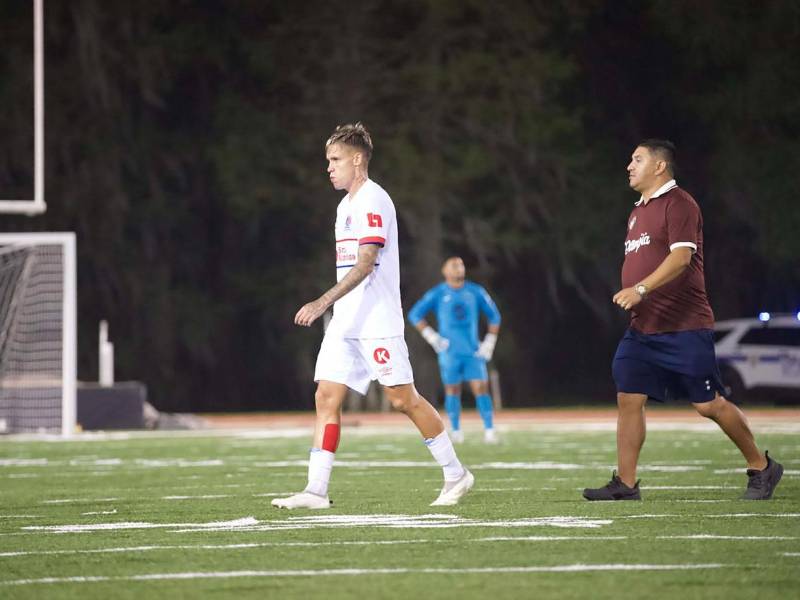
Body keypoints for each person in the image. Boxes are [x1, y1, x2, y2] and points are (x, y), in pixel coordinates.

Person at [272, 123, 474, 510]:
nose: (328, 168)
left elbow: (366, 264)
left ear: (357, 159)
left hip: (376, 321)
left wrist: (321, 302)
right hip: (346, 323)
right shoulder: (343, 205)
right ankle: (316, 490)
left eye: (334, 160)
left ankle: (456, 472)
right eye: (327, 161)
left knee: (403, 399)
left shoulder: (373, 200)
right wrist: (334, 311)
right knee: (326, 397)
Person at [583, 139, 783, 501]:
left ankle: (762, 467)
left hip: (684, 326)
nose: (629, 166)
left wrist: (640, 289)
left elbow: (680, 259)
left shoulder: (679, 203)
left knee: (708, 404)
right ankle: (626, 485)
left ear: (660, 166)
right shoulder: (637, 212)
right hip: (643, 329)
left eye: (637, 159)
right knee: (629, 397)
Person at [408, 257, 502, 443]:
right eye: (454, 265)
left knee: (481, 388)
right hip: (449, 352)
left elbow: (495, 317)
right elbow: (415, 314)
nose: (458, 268)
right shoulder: (438, 293)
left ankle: (489, 430)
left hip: (473, 351)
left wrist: (489, 342)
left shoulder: (475, 291)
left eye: (461, 265)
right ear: (445, 271)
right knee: (452, 389)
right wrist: (431, 336)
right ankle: (456, 430)